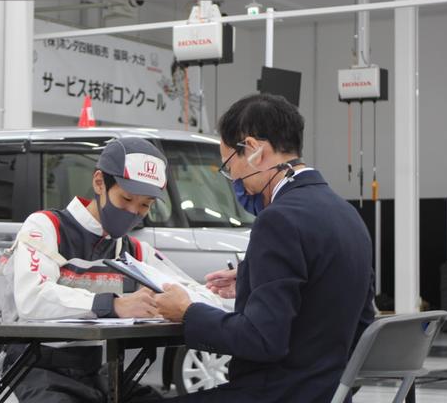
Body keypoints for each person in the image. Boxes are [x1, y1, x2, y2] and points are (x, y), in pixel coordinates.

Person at [156, 94, 375, 403]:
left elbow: (261, 340)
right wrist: (252, 277)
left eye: (229, 165)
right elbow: (359, 321)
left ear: (253, 149)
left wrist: (188, 312)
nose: (232, 178)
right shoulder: (348, 215)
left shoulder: (278, 219)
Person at [0, 137, 169, 403]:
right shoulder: (45, 226)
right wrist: (112, 305)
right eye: (126, 198)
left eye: (145, 205)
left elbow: (184, 288)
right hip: (30, 368)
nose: (133, 211)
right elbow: (33, 298)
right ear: (99, 182)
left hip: (94, 370)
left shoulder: (131, 249)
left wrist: (213, 294)